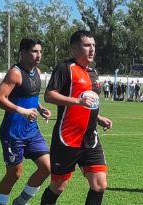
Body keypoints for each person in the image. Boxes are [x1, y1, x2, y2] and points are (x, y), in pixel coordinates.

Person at [41, 30, 113, 205]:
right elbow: (49, 95)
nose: (92, 49)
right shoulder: (65, 68)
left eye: (93, 45)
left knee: (99, 184)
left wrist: (98, 117)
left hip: (90, 138)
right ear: (74, 48)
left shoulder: (93, 72)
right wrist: (78, 101)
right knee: (58, 186)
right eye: (87, 45)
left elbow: (89, 101)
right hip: (67, 138)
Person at [0, 38, 51, 205]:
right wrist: (22, 111)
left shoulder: (37, 72)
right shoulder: (15, 73)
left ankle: (20, 202)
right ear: (23, 53)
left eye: (40, 51)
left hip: (32, 131)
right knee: (14, 174)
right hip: (13, 132)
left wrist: (40, 108)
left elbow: (30, 96)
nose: (38, 55)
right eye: (34, 51)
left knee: (46, 168)